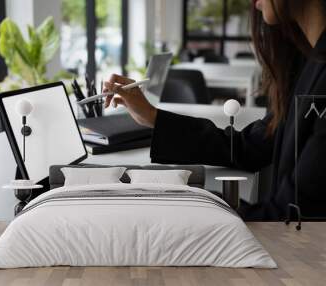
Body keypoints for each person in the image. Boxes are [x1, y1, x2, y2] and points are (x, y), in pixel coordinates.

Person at [103, 0, 326, 221]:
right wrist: (153, 116)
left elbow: (291, 217)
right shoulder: (307, 61)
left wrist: (180, 206)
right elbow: (249, 146)